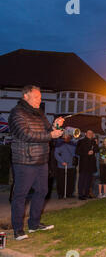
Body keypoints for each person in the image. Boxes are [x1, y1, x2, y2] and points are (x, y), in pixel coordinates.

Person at [8, 85, 64, 240]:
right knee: (21, 195)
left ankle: (34, 224)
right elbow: (25, 134)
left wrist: (55, 125)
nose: (40, 99)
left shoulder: (40, 114)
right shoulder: (16, 113)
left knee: (42, 192)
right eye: (36, 97)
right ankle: (18, 230)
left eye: (40, 97)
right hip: (25, 160)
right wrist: (50, 135)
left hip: (41, 160)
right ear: (26, 96)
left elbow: (47, 131)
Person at [75, 130, 99, 200]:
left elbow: (97, 150)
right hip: (84, 163)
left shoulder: (94, 142)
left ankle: (86, 194)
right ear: (85, 134)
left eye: (91, 133)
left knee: (89, 180)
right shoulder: (81, 141)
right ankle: (80, 195)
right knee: (82, 179)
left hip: (91, 164)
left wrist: (94, 148)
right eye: (89, 133)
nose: (90, 134)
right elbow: (77, 152)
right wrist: (86, 153)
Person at [54, 134, 77, 199]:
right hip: (62, 166)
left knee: (71, 180)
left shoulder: (73, 144)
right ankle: (61, 194)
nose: (67, 137)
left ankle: (69, 193)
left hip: (71, 166)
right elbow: (56, 154)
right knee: (61, 180)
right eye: (66, 136)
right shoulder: (59, 144)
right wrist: (62, 162)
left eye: (69, 136)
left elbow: (76, 153)